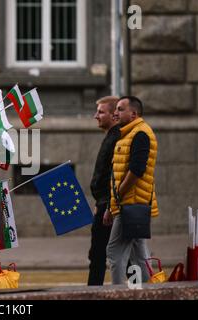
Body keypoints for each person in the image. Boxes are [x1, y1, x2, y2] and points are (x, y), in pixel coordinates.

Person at [106, 96, 159, 285]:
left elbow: (136, 170)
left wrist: (119, 194)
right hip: (129, 203)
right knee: (139, 255)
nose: (115, 113)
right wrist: (110, 207)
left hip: (131, 204)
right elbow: (118, 173)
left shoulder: (140, 134)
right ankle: (146, 293)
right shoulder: (128, 134)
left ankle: (118, 293)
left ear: (133, 113)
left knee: (115, 253)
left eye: (120, 109)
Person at [87, 96, 120, 286]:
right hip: (105, 204)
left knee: (98, 255)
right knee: (120, 254)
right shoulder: (111, 136)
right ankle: (139, 289)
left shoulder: (116, 138)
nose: (95, 116)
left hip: (110, 208)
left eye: (101, 112)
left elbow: (115, 176)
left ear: (114, 115)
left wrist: (107, 205)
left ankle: (92, 292)